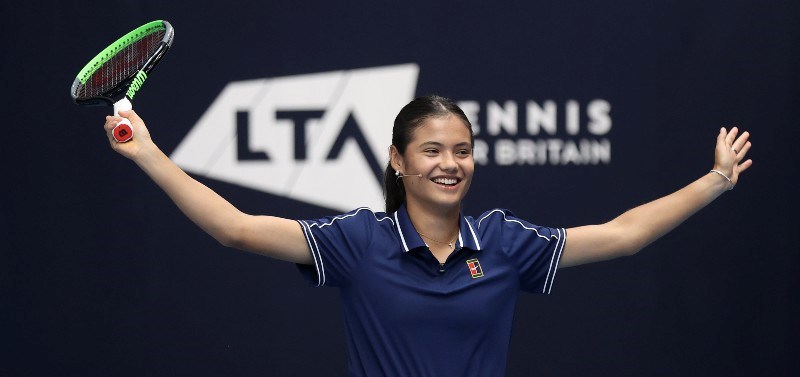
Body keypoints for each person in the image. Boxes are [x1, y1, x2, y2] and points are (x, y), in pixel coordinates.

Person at [103, 95, 752, 377]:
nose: (450, 162)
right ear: (397, 160)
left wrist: (717, 181)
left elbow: (623, 235)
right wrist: (149, 153)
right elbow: (235, 229)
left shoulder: (504, 242)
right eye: (433, 149)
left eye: (463, 150)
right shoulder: (356, 240)